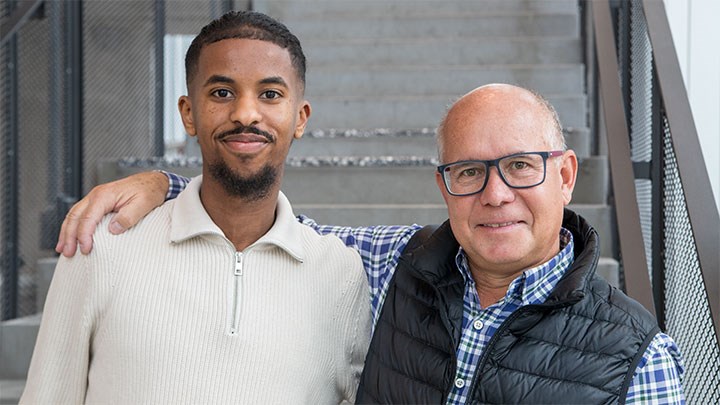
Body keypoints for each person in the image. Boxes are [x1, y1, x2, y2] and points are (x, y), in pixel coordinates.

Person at [56, 83, 685, 403]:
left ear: (567, 175)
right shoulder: (391, 268)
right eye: (469, 172)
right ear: (444, 186)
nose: (495, 195)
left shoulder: (639, 359)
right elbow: (268, 225)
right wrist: (166, 185)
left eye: (521, 166)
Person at [22, 11, 370, 404]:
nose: (245, 114)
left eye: (270, 94)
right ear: (189, 113)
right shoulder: (102, 245)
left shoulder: (343, 275)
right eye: (222, 93)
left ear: (300, 118)